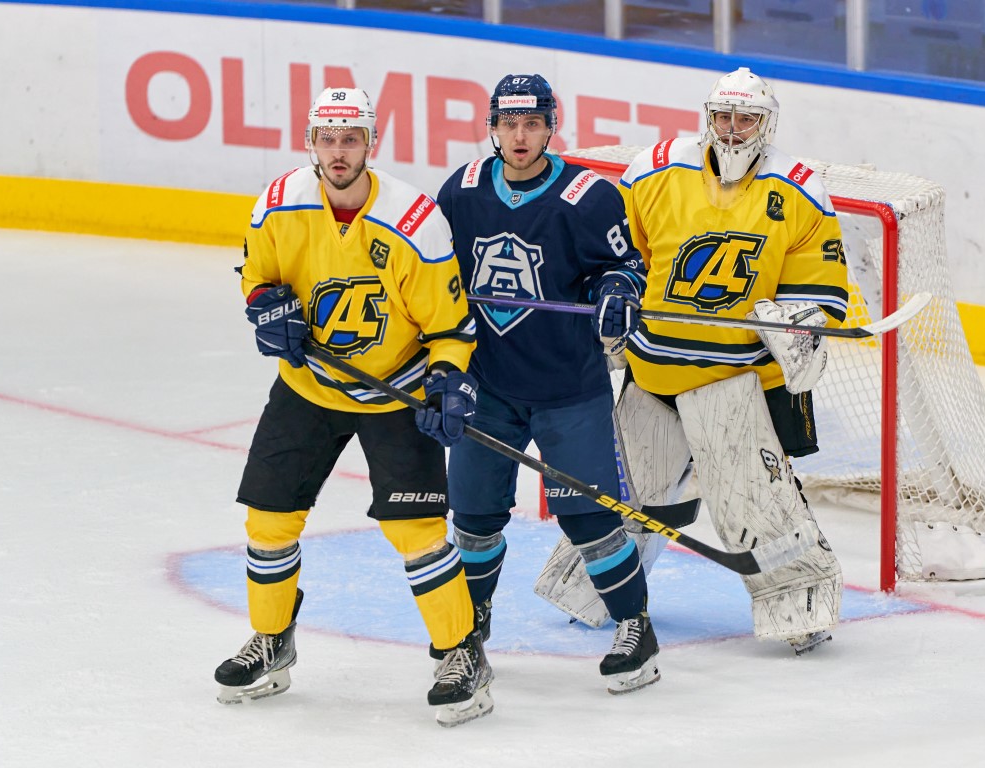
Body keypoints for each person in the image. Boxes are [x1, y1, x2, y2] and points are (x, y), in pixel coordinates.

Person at [541, 67, 848, 655]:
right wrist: (610, 297)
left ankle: (799, 607)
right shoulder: (655, 169)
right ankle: (593, 593)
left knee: (756, 507)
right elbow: (615, 254)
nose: (732, 132)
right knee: (626, 497)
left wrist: (801, 321)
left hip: (732, 381)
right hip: (651, 370)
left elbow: (820, 284)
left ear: (768, 123)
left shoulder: (799, 189)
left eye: (746, 120)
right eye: (723, 118)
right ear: (707, 118)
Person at [214, 87, 493, 727]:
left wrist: (450, 383)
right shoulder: (279, 206)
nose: (339, 153)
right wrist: (265, 311)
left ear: (372, 143)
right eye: (328, 139)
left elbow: (452, 329)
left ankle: (461, 654)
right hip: (309, 385)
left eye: (352, 139)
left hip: (397, 386)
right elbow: (257, 278)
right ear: (310, 143)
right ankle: (271, 641)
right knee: (269, 519)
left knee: (416, 532)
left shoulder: (414, 222)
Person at [435, 73, 660, 694]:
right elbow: (429, 270)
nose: (520, 135)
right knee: (474, 518)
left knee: (589, 520)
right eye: (509, 124)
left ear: (549, 126)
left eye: (532, 123)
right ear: (492, 127)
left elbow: (624, 267)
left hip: (568, 387)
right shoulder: (464, 189)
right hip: (489, 384)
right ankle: (471, 628)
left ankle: (635, 627)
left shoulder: (589, 196)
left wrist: (616, 291)